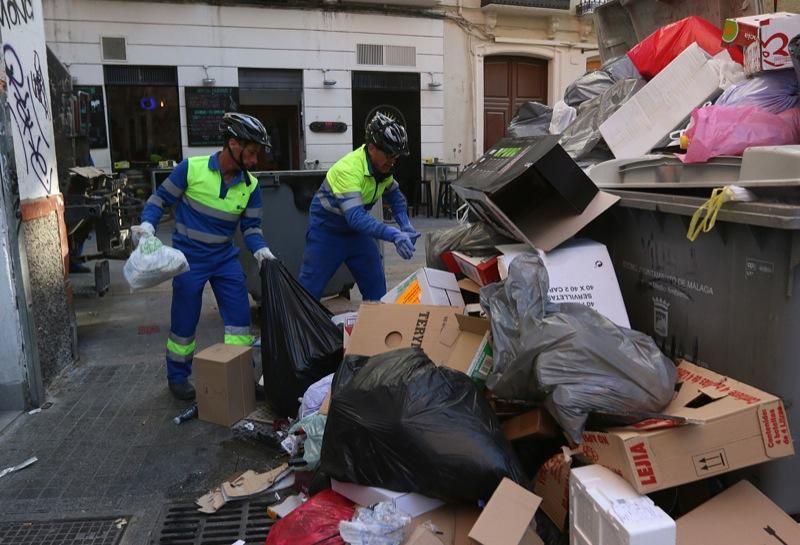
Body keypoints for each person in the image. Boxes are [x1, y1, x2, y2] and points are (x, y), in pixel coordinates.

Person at [132, 112, 276, 400]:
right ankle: (178, 377)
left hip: (224, 260)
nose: (254, 161)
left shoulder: (251, 187)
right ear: (233, 144)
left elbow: (251, 227)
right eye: (250, 152)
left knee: (238, 322)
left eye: (256, 154)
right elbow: (160, 200)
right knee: (184, 323)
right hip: (189, 261)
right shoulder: (191, 169)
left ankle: (240, 376)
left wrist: (261, 249)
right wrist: (148, 224)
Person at [299, 112, 418, 300]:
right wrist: (393, 234)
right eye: (389, 154)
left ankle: (373, 325)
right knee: (309, 291)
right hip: (327, 232)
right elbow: (356, 217)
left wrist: (405, 224)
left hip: (356, 234)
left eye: (396, 156)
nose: (393, 161)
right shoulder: (349, 170)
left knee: (376, 285)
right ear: (371, 148)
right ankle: (297, 327)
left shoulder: (383, 168)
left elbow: (395, 195)